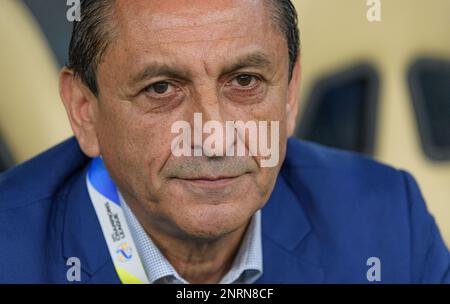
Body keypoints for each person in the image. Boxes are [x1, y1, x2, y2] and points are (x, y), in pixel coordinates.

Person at [0, 0, 449, 284]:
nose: (213, 136)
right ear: (84, 110)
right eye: (161, 88)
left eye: (246, 80)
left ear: (290, 94)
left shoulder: (388, 222)